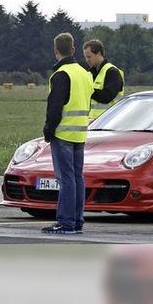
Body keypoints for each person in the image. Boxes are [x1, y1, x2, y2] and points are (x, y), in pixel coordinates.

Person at [42, 33, 94, 234]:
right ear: (73, 49)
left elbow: (54, 107)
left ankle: (65, 222)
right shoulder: (84, 73)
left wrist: (48, 130)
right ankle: (77, 220)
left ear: (56, 52)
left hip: (63, 133)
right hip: (80, 133)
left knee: (66, 179)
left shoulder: (61, 75)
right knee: (77, 178)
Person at [83, 39, 125, 120]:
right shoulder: (90, 73)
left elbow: (106, 97)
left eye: (89, 57)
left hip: (109, 122)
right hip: (94, 121)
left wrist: (87, 89)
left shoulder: (112, 72)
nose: (87, 60)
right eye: (85, 57)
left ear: (98, 54)